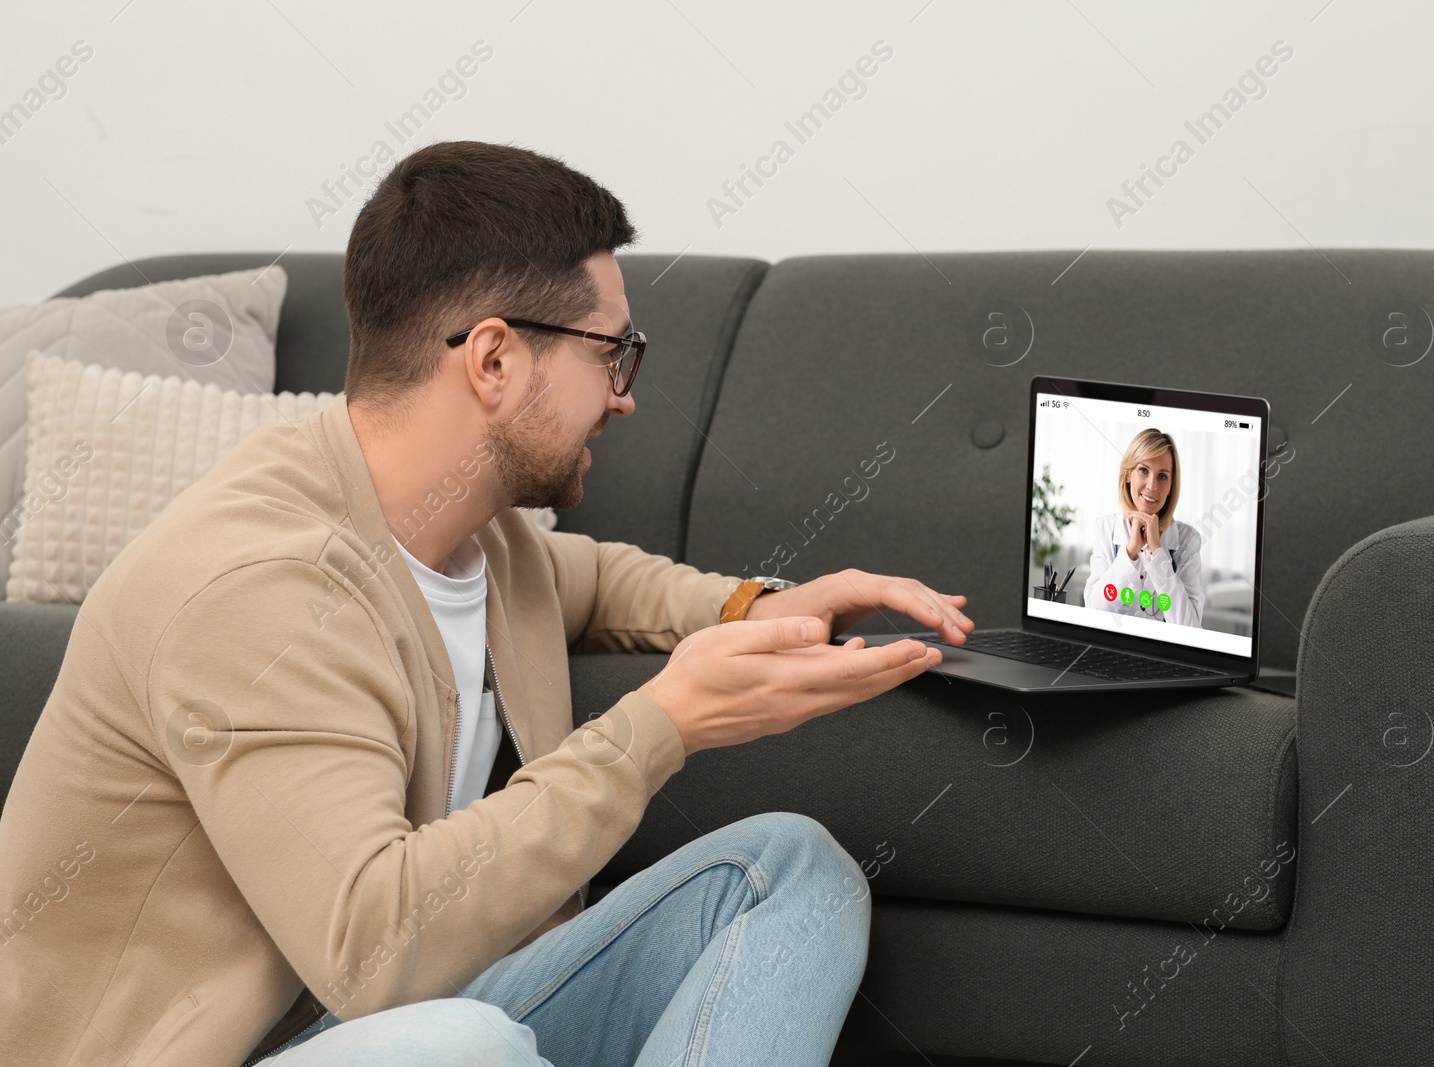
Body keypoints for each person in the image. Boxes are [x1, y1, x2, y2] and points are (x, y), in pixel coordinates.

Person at [0, 141, 975, 1067]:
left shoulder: (476, 538)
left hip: (390, 1016)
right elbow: (374, 952)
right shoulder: (256, 585)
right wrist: (660, 724)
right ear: (496, 360)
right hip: (255, 1040)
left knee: (791, 872)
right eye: (612, 351)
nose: (624, 395)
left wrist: (759, 607)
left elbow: (593, 579)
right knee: (468, 1045)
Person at [1081, 427, 1204, 628]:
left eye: (1162, 476)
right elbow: (1094, 613)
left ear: (1171, 486)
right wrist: (1130, 552)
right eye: (1144, 470)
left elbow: (1190, 629)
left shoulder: (1188, 540)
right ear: (1128, 474)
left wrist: (1157, 553)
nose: (1152, 485)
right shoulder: (1105, 528)